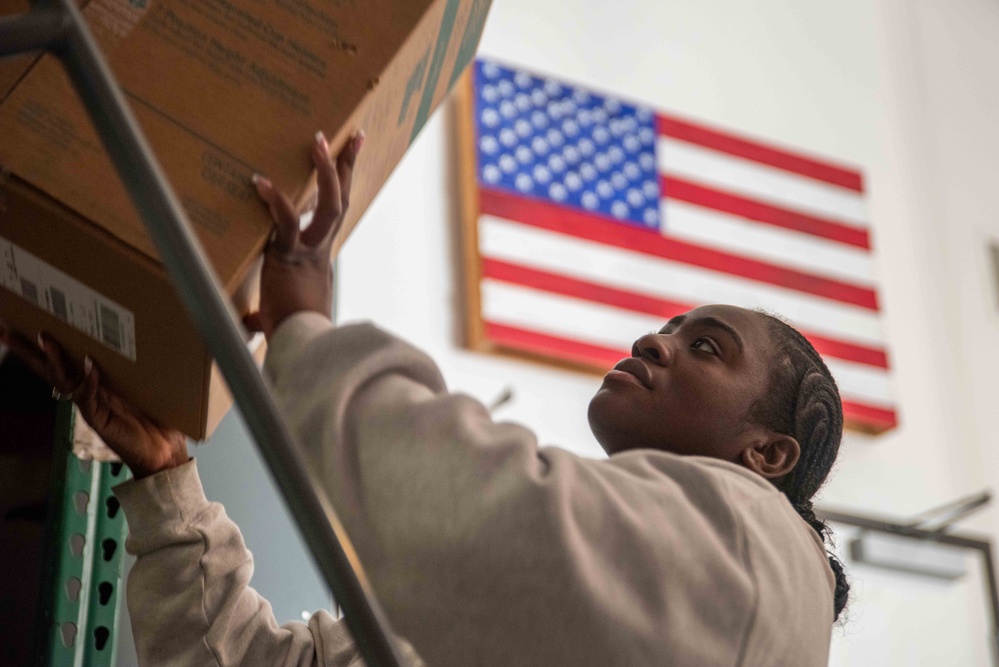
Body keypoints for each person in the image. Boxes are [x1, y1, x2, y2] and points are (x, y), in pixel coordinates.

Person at [2, 129, 848, 666]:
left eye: (706, 346)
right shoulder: (563, 600)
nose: (650, 340)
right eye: (666, 325)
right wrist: (164, 477)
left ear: (766, 454)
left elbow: (488, 511)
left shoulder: (763, 555)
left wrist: (305, 331)